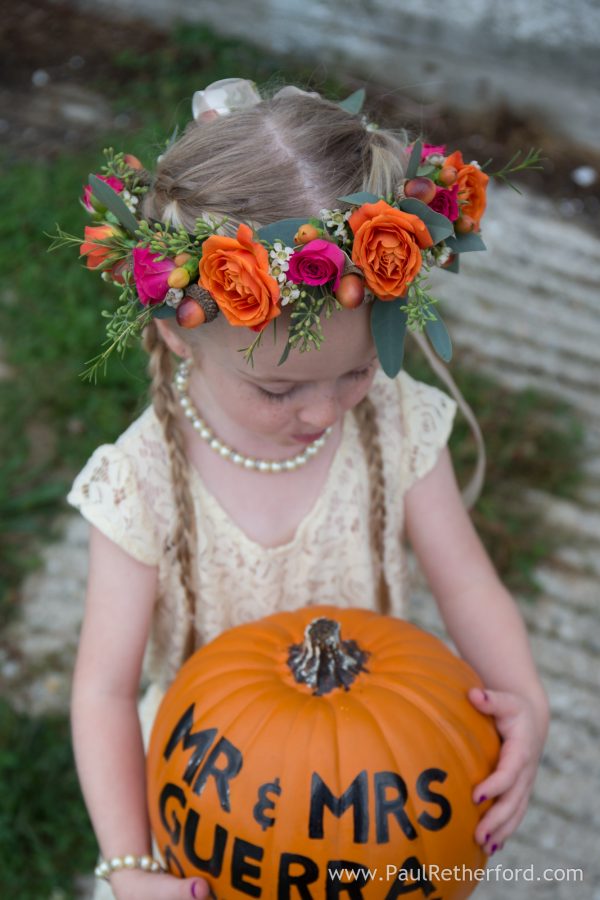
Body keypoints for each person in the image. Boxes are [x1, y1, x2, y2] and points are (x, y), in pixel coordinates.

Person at [66, 81, 549, 900]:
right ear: (177, 335)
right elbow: (105, 691)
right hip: (208, 797)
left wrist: (526, 700)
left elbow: (467, 581)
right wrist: (127, 864)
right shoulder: (139, 483)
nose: (323, 411)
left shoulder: (393, 427)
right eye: (281, 390)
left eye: (358, 371)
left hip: (374, 793)